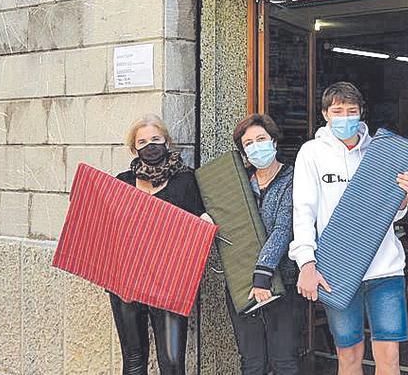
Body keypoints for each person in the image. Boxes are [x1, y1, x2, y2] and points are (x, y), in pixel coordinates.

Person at [289, 82, 408, 375]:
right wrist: (307, 264)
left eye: (352, 110)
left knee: (390, 357)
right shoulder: (311, 153)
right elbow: (303, 212)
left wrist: (406, 196)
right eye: (338, 111)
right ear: (325, 114)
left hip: (384, 270)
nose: (345, 117)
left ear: (362, 113)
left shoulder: (381, 152)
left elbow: (393, 213)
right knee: (348, 357)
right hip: (336, 272)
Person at [112, 114, 205, 375]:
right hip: (126, 283)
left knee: (172, 362)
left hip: (170, 285)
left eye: (156, 139)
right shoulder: (122, 182)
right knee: (133, 359)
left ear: (167, 142)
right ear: (134, 147)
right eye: (142, 141)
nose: (150, 146)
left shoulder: (186, 181)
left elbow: (197, 230)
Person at [226, 113, 303, 374]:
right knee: (251, 360)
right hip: (242, 282)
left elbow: (284, 228)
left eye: (261, 139)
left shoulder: (293, 179)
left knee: (284, 358)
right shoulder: (239, 185)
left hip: (281, 279)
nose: (256, 146)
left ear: (274, 142)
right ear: (243, 152)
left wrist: (264, 273)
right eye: (248, 143)